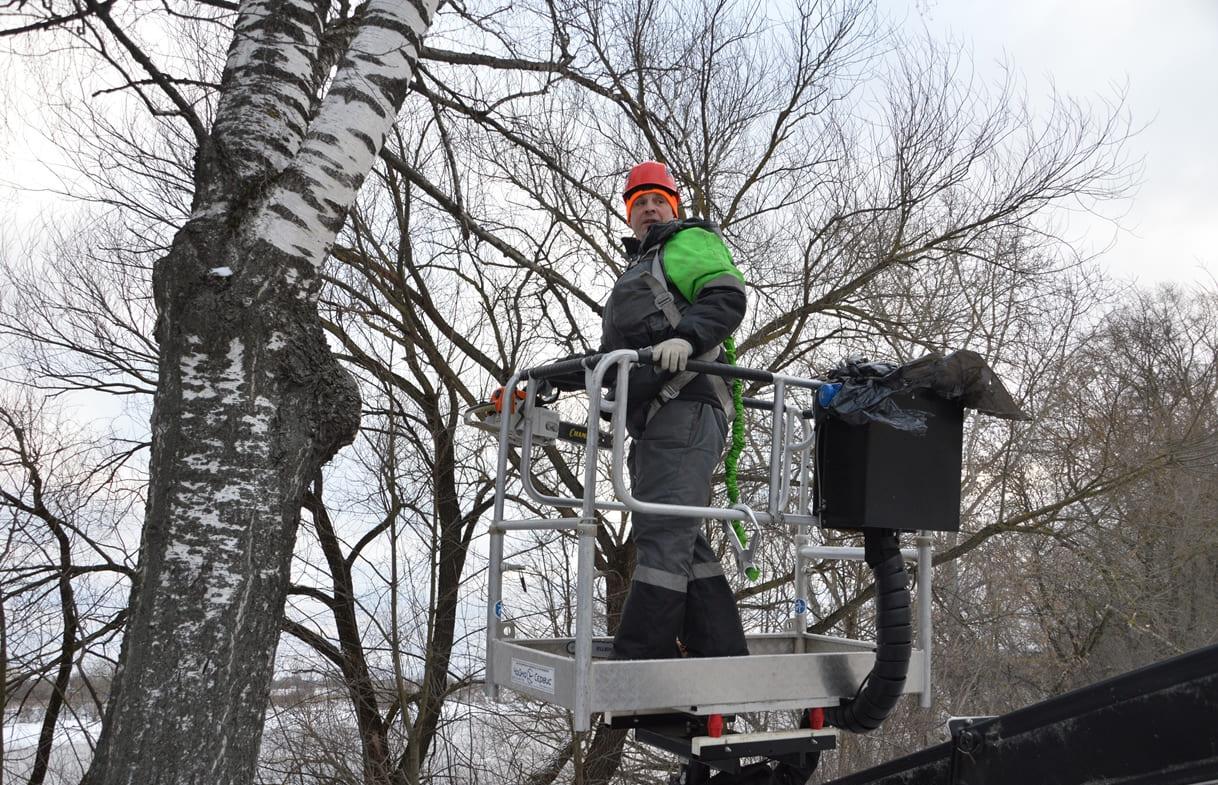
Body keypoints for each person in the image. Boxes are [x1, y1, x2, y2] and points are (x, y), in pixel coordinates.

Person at [603, 161, 750, 660]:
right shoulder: (639, 269)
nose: (647, 208)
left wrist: (686, 340)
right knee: (676, 533)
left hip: (685, 404)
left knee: (664, 531)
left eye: (657, 201)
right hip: (653, 417)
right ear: (628, 216)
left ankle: (640, 660)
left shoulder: (686, 243)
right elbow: (615, 357)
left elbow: (726, 298)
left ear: (674, 208)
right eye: (638, 202)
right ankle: (721, 654)